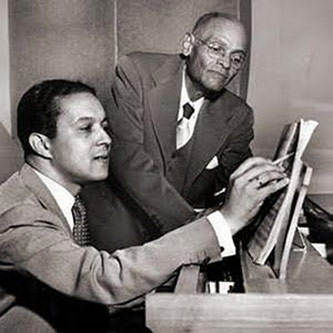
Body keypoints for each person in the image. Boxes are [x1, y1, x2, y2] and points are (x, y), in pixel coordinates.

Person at [0, 79, 287, 332]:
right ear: (42, 144)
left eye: (104, 127)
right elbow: (98, 279)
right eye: (86, 129)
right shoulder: (18, 213)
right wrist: (224, 222)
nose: (106, 139)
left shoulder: (62, 198)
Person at [85, 12, 255, 251]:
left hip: (181, 240)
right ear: (188, 45)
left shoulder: (238, 115)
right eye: (217, 49)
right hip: (117, 227)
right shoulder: (136, 72)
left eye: (236, 58)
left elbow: (234, 183)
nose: (226, 63)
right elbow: (127, 159)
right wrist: (194, 226)